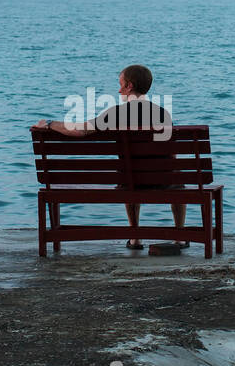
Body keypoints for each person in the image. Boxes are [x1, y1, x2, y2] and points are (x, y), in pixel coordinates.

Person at [34, 65, 183, 249]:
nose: (118, 89)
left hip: (129, 181)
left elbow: (79, 130)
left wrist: (50, 124)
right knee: (177, 175)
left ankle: (135, 238)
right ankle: (179, 237)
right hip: (163, 181)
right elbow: (172, 154)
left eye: (120, 84)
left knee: (129, 174)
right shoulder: (163, 113)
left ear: (129, 86)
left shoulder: (115, 114)